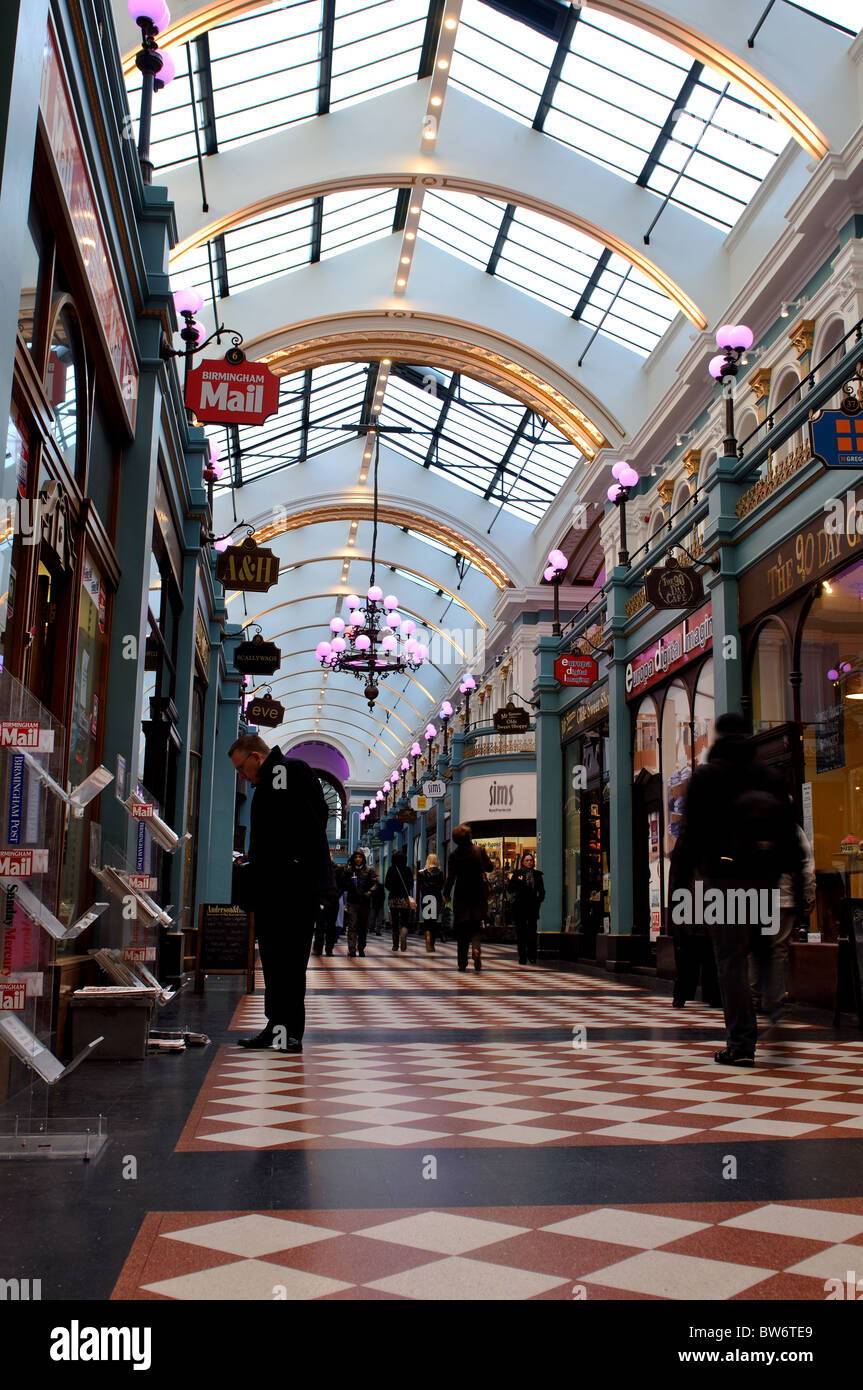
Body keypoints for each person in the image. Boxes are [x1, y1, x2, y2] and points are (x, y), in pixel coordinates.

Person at [672, 713, 801, 1066]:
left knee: (731, 962)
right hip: (765, 879)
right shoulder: (770, 775)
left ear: (719, 735)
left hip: (725, 882)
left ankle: (742, 1043)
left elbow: (690, 835)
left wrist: (678, 890)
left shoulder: (708, 776)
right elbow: (790, 836)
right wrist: (799, 888)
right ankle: (775, 1012)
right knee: (763, 952)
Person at [228, 735, 334, 1051]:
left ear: (256, 757)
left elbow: (314, 819)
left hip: (295, 889)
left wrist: (294, 861)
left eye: (241, 767)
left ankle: (290, 1032)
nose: (240, 775)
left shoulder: (290, 770)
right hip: (273, 888)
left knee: (290, 962)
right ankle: (275, 1028)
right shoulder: (270, 781)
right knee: (274, 962)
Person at [750, 817, 815, 1020]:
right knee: (777, 948)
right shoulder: (789, 827)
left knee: (753, 948)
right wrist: (808, 893)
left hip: (753, 897)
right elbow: (805, 862)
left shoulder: (747, 822)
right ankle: (773, 999)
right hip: (782, 897)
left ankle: (753, 997)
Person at [667, 833, 721, 1009]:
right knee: (693, 951)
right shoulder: (689, 844)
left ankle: (704, 994)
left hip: (704, 906)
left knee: (700, 952)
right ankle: (691, 994)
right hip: (695, 906)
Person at [443, 824, 490, 972]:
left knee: (462, 929)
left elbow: (450, 877)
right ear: (470, 836)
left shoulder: (454, 855)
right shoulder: (479, 851)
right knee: (476, 925)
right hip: (478, 893)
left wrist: (446, 894)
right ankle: (476, 949)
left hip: (461, 894)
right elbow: (490, 868)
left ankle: (462, 963)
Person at [507, 851, 546, 965]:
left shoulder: (537, 875)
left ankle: (532, 955)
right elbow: (510, 889)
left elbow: (542, 891)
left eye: (531, 860)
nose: (529, 862)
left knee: (532, 932)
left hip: (533, 907)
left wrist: (539, 900)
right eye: (527, 860)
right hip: (520, 907)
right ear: (523, 862)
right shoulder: (517, 874)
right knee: (521, 932)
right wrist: (514, 900)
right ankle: (522, 956)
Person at [339, 849, 376, 957]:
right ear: (353, 859)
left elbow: (375, 884)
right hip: (352, 902)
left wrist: (369, 892)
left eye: (360, 857)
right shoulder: (348, 871)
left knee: (363, 927)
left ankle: (361, 948)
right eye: (356, 857)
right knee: (352, 926)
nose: (358, 859)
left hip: (364, 903)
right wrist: (349, 883)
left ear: (363, 858)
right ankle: (351, 949)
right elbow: (343, 884)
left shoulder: (369, 870)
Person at [312, 851, 341, 957]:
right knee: (319, 926)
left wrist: (336, 895)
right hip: (321, 901)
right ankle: (318, 948)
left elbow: (341, 885)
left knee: (331, 926)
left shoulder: (337, 870)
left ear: (332, 857)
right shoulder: (318, 869)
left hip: (333, 901)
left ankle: (329, 949)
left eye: (330, 856)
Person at [385, 850, 414, 952]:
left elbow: (386, 884)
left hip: (393, 899)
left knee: (395, 921)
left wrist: (393, 889)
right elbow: (411, 884)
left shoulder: (391, 869)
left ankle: (395, 945)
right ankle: (404, 931)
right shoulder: (408, 870)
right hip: (404, 899)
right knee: (404, 920)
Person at [417, 852, 445, 953]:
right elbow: (442, 886)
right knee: (434, 921)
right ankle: (432, 944)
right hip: (436, 898)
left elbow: (420, 887)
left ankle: (427, 939)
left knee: (427, 921)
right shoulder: (440, 873)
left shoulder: (421, 873)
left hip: (425, 898)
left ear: (427, 861)